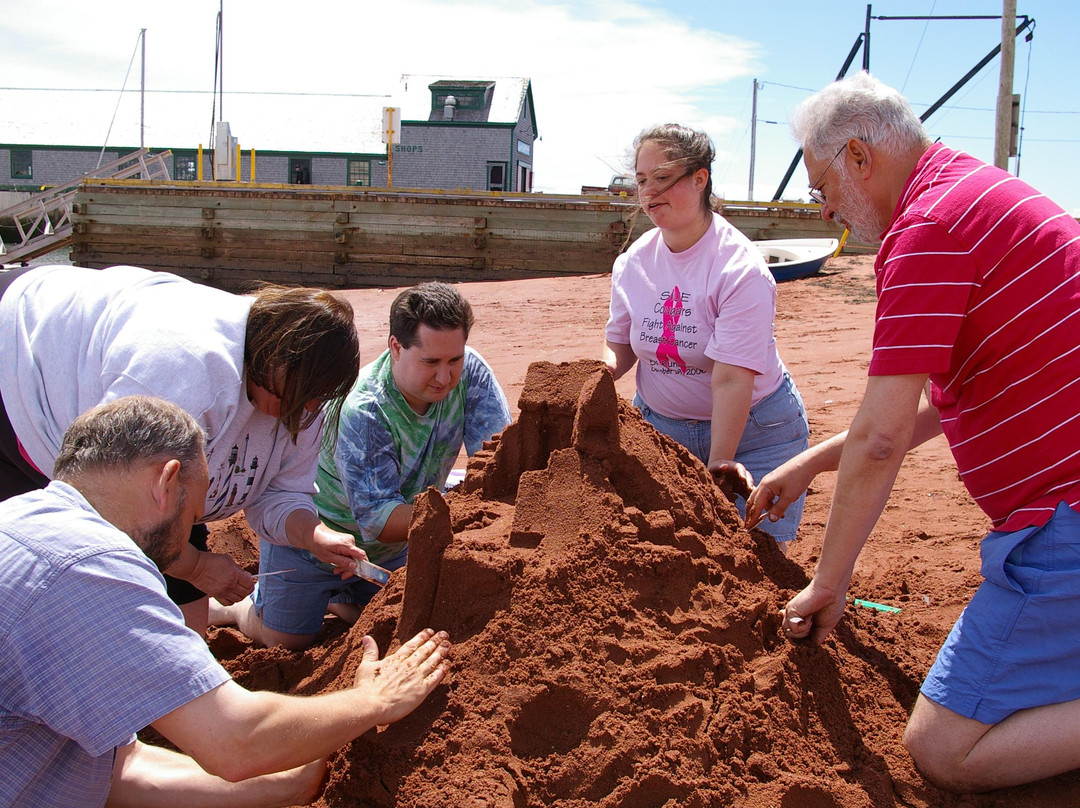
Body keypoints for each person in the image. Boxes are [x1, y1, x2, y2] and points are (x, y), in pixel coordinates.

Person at [746, 71, 1080, 793]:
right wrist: (813, 461)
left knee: (943, 750)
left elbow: (883, 438)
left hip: (1066, 516)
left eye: (822, 185)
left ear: (860, 157)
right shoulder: (968, 194)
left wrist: (828, 583)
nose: (826, 207)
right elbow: (956, 394)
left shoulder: (929, 229)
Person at [0, 395, 451, 808]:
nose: (186, 540)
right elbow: (236, 741)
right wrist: (373, 700)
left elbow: (121, 764)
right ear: (166, 482)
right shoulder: (91, 566)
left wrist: (289, 782)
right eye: (194, 517)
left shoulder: (24, 518)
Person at [0, 264, 368, 635]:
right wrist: (195, 567)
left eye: (319, 398)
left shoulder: (300, 401)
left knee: (188, 632)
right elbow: (110, 504)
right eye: (304, 395)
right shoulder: (182, 374)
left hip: (164, 484)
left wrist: (313, 535)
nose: (308, 409)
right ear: (273, 359)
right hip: (18, 363)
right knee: (41, 586)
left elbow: (281, 494)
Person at [213, 282, 512, 650]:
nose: (444, 377)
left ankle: (344, 598)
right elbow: (379, 521)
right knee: (286, 640)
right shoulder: (365, 409)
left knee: (404, 620)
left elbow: (501, 460)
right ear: (396, 347)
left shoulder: (472, 374)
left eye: (455, 360)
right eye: (430, 362)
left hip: (397, 546)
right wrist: (464, 510)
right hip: (317, 536)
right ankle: (241, 609)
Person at [603, 123, 809, 549]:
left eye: (662, 178)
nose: (649, 192)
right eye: (642, 180)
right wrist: (592, 375)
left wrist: (719, 461)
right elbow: (620, 346)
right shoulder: (632, 263)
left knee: (755, 561)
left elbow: (732, 376)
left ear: (700, 179)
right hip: (662, 430)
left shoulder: (740, 269)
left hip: (754, 434)